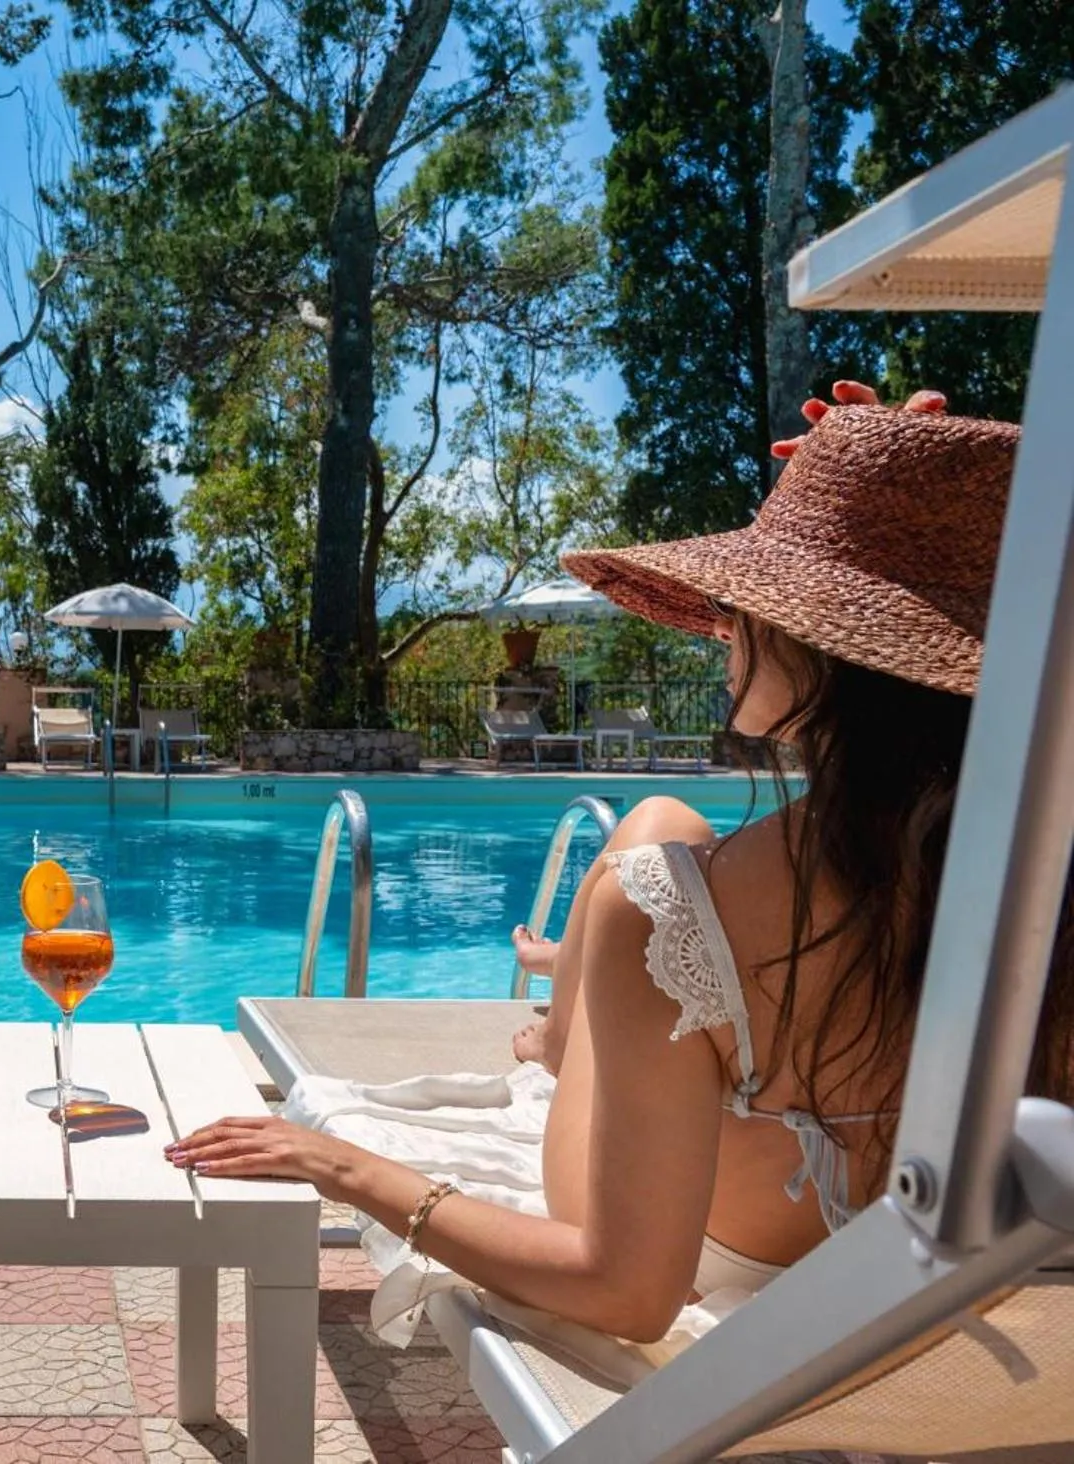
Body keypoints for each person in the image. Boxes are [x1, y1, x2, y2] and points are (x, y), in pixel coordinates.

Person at [167, 384, 1074, 1347]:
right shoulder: (1039, 878)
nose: (722, 627)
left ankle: (571, 1030)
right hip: (989, 1311)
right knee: (659, 864)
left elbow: (625, 1293)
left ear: (819, 646)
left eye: (744, 604)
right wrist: (942, 516)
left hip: (736, 1256)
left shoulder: (684, 906)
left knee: (652, 833)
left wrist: (346, 1166)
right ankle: (587, 990)